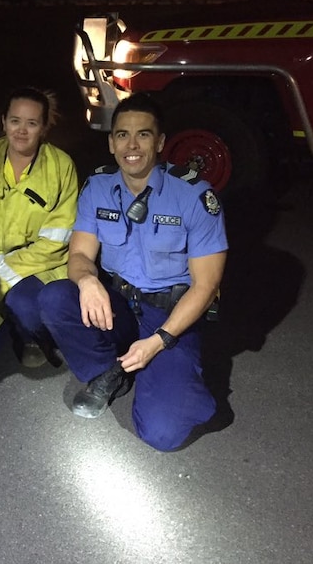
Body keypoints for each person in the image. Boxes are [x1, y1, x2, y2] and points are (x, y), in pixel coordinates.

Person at [38, 93, 228, 452]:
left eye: (143, 135)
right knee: (55, 297)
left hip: (169, 315)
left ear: (159, 142)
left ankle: (171, 374)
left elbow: (207, 286)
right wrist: (88, 280)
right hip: (119, 304)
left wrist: (158, 342)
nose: (132, 145)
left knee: (163, 433)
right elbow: (79, 253)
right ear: (111, 143)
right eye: (122, 135)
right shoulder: (97, 188)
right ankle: (109, 371)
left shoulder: (194, 196)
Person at [0, 87, 78, 367]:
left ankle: (35, 335)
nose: (21, 131)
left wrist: (5, 278)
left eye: (32, 123)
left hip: (38, 269)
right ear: (4, 122)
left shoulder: (61, 167)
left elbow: (57, 240)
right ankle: (8, 321)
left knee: (25, 305)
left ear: (44, 127)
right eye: (15, 121)